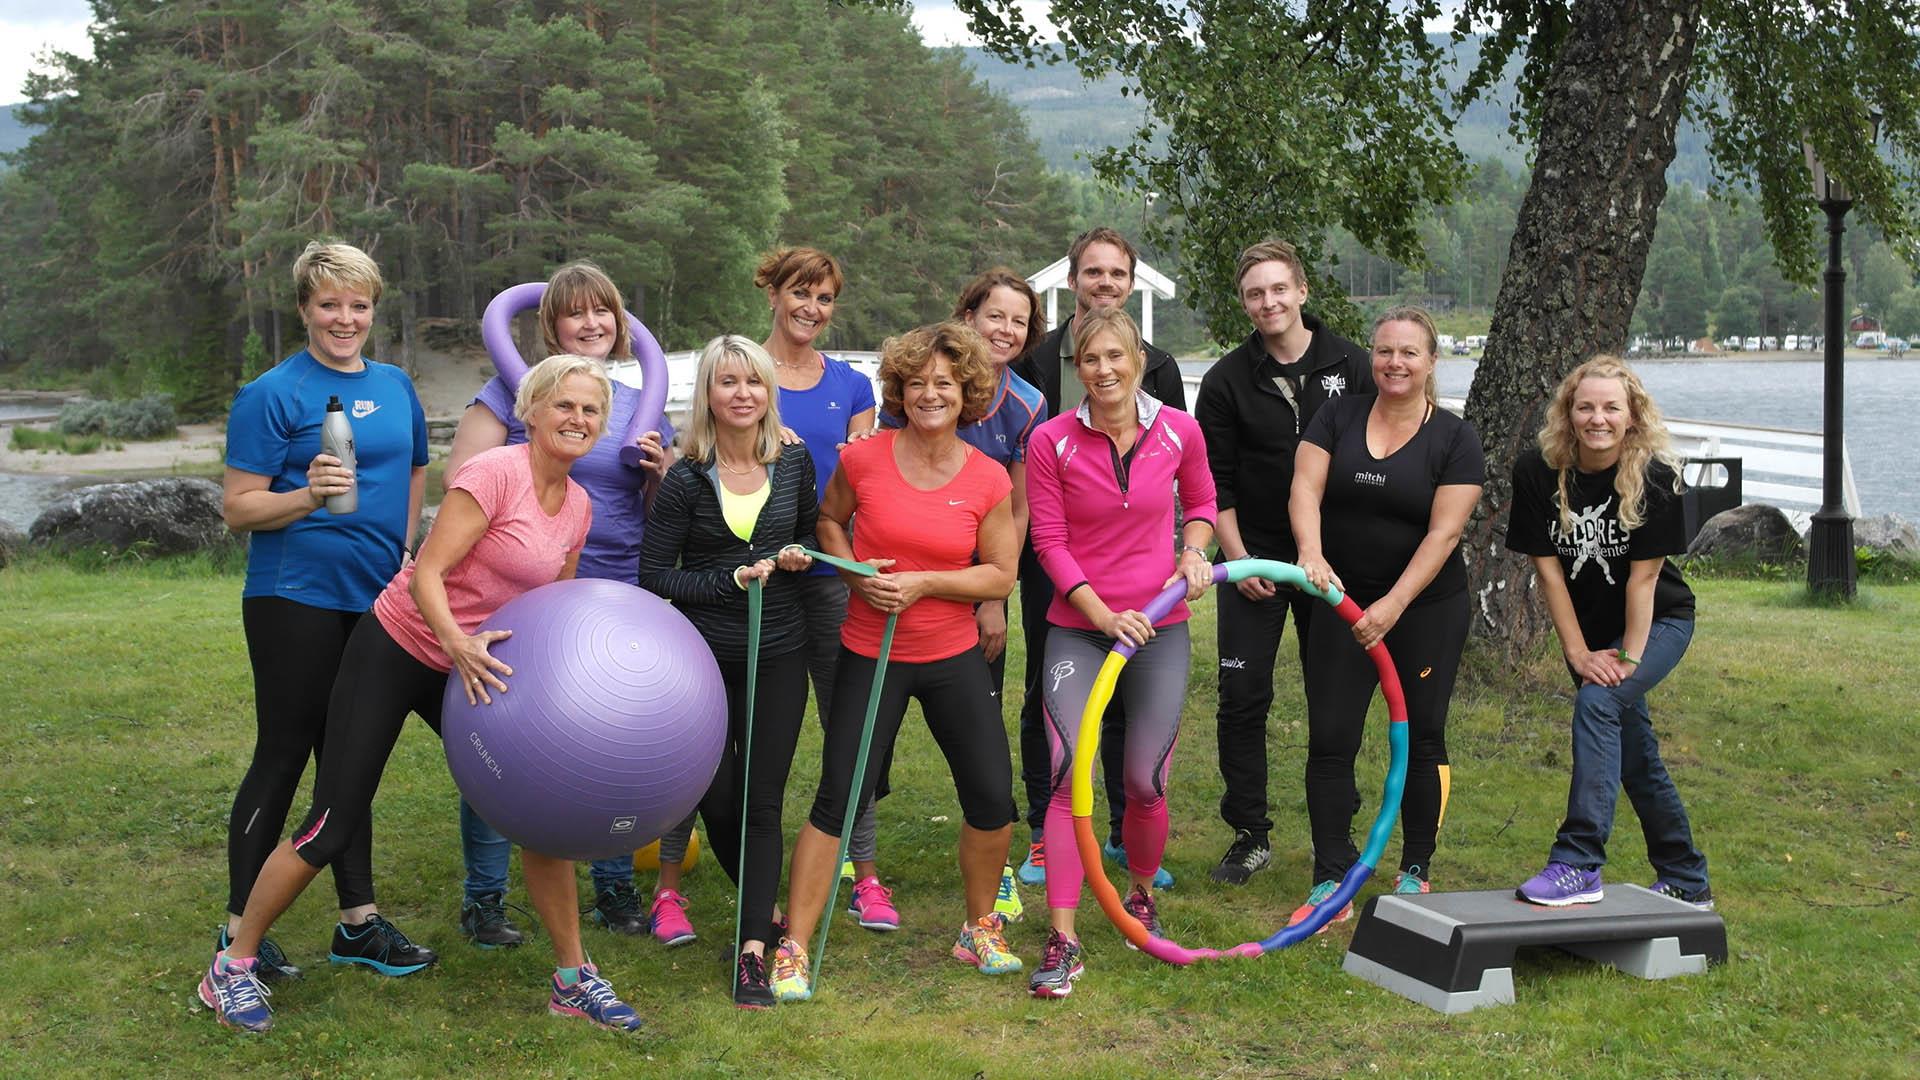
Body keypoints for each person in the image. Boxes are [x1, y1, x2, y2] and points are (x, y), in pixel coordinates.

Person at [201, 355, 645, 1034]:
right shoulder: (494, 473)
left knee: (535, 806)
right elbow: (427, 573)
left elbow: (554, 604)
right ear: (531, 411)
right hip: (400, 646)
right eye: (563, 405)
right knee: (334, 820)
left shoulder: (578, 506)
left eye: (590, 410)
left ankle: (572, 978)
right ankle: (232, 965)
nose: (577, 420)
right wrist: (458, 644)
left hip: (470, 664)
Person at [770, 322, 1021, 1003]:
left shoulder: (988, 477)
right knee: (839, 798)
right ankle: (793, 945)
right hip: (869, 650)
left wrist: (925, 584)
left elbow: (1000, 575)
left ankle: (979, 927)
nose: (930, 395)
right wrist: (854, 573)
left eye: (945, 383)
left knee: (993, 797)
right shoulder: (864, 459)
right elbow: (828, 523)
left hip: (952, 655)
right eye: (917, 384)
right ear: (899, 392)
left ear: (966, 391)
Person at [217, 240, 432, 983]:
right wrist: (309, 494)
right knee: (283, 755)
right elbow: (238, 509)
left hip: (376, 597)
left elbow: (412, 473)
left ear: (374, 308)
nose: (346, 318)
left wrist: (404, 555)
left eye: (359, 304)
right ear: (305, 309)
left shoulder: (397, 385)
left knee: (351, 762)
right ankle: (240, 926)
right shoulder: (273, 392)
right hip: (293, 595)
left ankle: (358, 924)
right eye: (330, 304)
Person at [444, 262, 672, 948]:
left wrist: (663, 478)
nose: (592, 324)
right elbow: (464, 486)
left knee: (614, 741)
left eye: (604, 311)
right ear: (552, 325)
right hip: (521, 600)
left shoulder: (636, 401)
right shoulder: (507, 393)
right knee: (501, 742)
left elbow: (657, 515)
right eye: (576, 313)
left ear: (622, 323)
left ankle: (612, 887)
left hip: (615, 593)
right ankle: (484, 899)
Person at [1023, 307, 1217, 999]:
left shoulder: (1179, 430)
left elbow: (1200, 502)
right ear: (1077, 368)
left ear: (1138, 358)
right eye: (1090, 360)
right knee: (1068, 771)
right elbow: (1048, 541)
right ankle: (1065, 935)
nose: (1104, 371)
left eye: (1115, 356)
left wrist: (1194, 551)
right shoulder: (1050, 441)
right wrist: (1105, 615)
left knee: (1143, 780)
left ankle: (1138, 895)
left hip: (1160, 627)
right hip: (1079, 627)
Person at [637, 335, 819, 1008]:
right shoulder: (687, 476)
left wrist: (801, 554)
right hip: (703, 664)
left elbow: (812, 537)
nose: (741, 393)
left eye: (753, 381)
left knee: (763, 803)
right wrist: (729, 579)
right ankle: (765, 914)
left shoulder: (793, 461)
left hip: (779, 652)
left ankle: (751, 953)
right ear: (707, 394)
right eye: (727, 382)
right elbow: (654, 573)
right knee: (715, 796)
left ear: (769, 391)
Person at [1291, 306, 1483, 927]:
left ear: (1430, 362)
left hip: (1423, 608)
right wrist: (1312, 555)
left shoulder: (1455, 439)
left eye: (1408, 353)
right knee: (1331, 737)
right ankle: (1330, 873)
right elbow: (1305, 488)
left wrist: (1393, 605)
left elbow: (1445, 533)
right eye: (1383, 351)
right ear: (1370, 356)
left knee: (1422, 735)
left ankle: (1415, 870)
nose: (1393, 363)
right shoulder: (1337, 412)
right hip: (1339, 602)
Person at [1011, 227, 1185, 890]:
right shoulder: (1038, 359)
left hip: (1132, 562)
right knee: (1048, 696)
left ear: (1130, 283)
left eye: (1116, 273)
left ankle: (1120, 832)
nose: (1104, 283)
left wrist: (1181, 551)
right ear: (1073, 280)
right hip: (1051, 556)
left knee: (1127, 695)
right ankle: (1040, 831)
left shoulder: (1160, 365)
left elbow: (1172, 462)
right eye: (1092, 272)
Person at [1196, 239, 1373, 885]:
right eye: (1253, 293)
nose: (1268, 302)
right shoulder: (1224, 381)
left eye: (1278, 288)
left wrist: (1325, 554)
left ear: (1301, 290)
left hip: (1333, 566)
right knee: (1242, 696)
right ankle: (1250, 833)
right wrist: (1240, 562)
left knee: (1335, 701)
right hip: (1254, 561)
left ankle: (1338, 832)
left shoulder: (1354, 366)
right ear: (1244, 304)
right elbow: (1212, 483)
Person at [1508, 357, 1711, 909]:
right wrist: (1577, 652)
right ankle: (1687, 878)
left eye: (1611, 408)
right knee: (1635, 755)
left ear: (1632, 416)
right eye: (1586, 406)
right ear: (1568, 414)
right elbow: (1548, 571)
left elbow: (1644, 582)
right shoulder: (1536, 472)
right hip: (1591, 633)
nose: (1598, 418)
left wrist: (1625, 658)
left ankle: (1578, 862)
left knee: (1598, 705)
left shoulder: (1655, 477)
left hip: (1658, 622)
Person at [876, 268, 1048, 914]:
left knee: (981, 737)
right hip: (899, 583)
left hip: (976, 586)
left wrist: (993, 600)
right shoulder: (923, 378)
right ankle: (855, 858)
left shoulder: (1027, 403)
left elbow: (1020, 511)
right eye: (994, 315)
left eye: (1019, 320)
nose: (1006, 329)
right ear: (968, 314)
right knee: (872, 739)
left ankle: (994, 866)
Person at [756, 246, 897, 930]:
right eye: (800, 293)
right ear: (774, 293)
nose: (812, 308)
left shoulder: (851, 385)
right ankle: (720, 873)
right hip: (754, 573)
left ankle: (863, 873)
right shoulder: (742, 372)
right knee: (745, 729)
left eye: (825, 297)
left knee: (850, 727)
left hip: (830, 576)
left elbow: (860, 482)